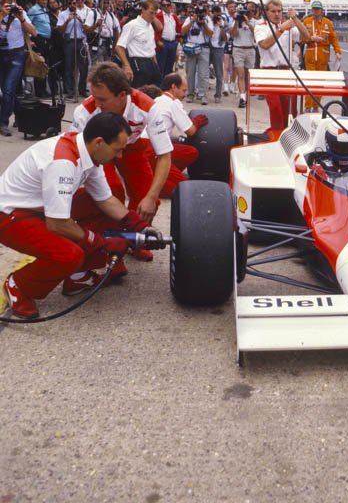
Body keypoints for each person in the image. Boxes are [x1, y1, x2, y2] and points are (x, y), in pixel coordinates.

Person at [0, 112, 149, 318]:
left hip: (39, 208)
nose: (120, 156)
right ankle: (19, 285)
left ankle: (78, 277)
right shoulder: (63, 162)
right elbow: (57, 224)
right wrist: (101, 243)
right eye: (118, 150)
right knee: (69, 255)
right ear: (99, 142)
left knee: (95, 202)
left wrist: (138, 225)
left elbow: (105, 200)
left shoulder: (87, 152)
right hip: (10, 215)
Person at [71, 63, 172, 266]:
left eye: (102, 99)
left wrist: (151, 197)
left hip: (132, 147)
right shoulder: (85, 111)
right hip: (101, 152)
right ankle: (108, 253)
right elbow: (75, 153)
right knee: (111, 195)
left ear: (122, 94)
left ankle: (136, 240)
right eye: (94, 97)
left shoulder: (147, 106)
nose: (96, 104)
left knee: (149, 197)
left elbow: (164, 155)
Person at [140, 73, 208, 197]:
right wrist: (196, 122)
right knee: (184, 189)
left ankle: (155, 174)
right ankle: (151, 184)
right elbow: (190, 131)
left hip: (145, 146)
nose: (185, 94)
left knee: (190, 152)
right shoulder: (172, 102)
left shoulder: (156, 99)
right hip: (153, 148)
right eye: (183, 90)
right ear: (173, 87)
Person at [254, 0, 310, 131]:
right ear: (266, 13)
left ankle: (287, 134)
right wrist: (280, 29)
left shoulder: (288, 26)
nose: (277, 14)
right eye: (273, 11)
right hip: (269, 71)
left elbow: (306, 37)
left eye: (279, 11)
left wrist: (296, 19)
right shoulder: (260, 27)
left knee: (290, 110)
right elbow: (265, 45)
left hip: (286, 70)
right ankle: (276, 135)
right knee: (276, 109)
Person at [0, 0, 37, 136]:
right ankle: (21, 115)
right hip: (1, 54)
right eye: (9, 0)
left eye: (14, 0)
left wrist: (21, 18)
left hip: (17, 54)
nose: (12, 4)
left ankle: (3, 123)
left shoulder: (19, 12)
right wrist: (2, 15)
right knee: (6, 90)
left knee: (9, 89)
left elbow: (34, 33)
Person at [302, 0, 341, 111]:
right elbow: (301, 38)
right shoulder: (306, 22)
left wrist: (338, 52)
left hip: (323, 55)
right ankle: (308, 106)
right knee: (310, 81)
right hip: (310, 53)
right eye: (314, 9)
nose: (316, 11)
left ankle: (316, 105)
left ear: (322, 10)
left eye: (318, 9)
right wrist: (311, 38)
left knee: (320, 82)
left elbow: (333, 39)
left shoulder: (328, 23)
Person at [114, 0, 162, 88]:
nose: (153, 16)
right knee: (138, 94)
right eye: (151, 13)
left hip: (151, 62)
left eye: (155, 14)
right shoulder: (132, 25)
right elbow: (119, 47)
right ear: (143, 9)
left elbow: (152, 48)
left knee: (156, 93)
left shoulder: (150, 27)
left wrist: (156, 65)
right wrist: (127, 66)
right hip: (138, 63)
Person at [181, 5, 213, 103]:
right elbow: (183, 31)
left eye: (202, 14)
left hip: (203, 47)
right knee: (190, 72)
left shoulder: (208, 20)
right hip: (191, 47)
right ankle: (190, 94)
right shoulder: (190, 19)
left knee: (203, 73)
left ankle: (202, 94)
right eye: (198, 14)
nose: (200, 16)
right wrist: (192, 21)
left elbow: (210, 33)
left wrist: (204, 24)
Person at [230, 2, 257, 108]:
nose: (249, 12)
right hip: (238, 49)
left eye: (252, 11)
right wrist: (237, 22)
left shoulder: (256, 22)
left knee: (248, 75)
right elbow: (233, 35)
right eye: (248, 10)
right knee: (240, 74)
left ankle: (246, 94)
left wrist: (248, 23)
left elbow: (257, 34)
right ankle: (242, 97)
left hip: (250, 49)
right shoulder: (237, 20)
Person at [27, 0, 52, 97]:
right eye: (42, 0)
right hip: (38, 40)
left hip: (46, 41)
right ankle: (39, 92)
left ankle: (43, 90)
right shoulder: (33, 10)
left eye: (46, 0)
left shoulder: (45, 10)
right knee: (38, 65)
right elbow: (27, 24)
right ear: (37, 0)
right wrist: (29, 40)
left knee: (44, 65)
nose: (45, 2)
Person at [86, 0, 120, 64]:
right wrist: (96, 25)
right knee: (98, 67)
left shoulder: (111, 15)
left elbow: (116, 32)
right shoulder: (93, 13)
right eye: (103, 2)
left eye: (107, 2)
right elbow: (86, 30)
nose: (106, 4)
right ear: (98, 2)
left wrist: (114, 48)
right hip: (97, 44)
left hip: (108, 45)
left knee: (108, 68)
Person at [155, 0, 181, 78]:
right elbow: (153, 30)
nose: (166, 6)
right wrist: (157, 41)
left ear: (170, 5)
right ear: (161, 6)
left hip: (172, 43)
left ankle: (167, 86)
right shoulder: (158, 16)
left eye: (168, 5)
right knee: (161, 66)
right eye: (164, 5)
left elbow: (178, 29)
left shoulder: (174, 16)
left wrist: (177, 42)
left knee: (170, 66)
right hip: (163, 43)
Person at [209, 5, 227, 103]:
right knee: (202, 71)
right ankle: (200, 92)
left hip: (219, 48)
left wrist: (220, 26)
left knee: (219, 73)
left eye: (218, 14)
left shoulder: (224, 23)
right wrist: (211, 21)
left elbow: (225, 38)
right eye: (214, 14)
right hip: (208, 47)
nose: (216, 16)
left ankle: (218, 95)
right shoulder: (208, 22)